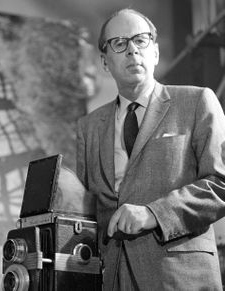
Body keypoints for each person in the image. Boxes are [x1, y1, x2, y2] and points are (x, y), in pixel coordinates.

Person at [76, 8, 225, 291]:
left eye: (140, 40)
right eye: (119, 43)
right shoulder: (89, 126)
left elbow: (221, 184)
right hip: (112, 279)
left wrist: (154, 214)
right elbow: (87, 211)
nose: (132, 50)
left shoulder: (197, 102)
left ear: (155, 52)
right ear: (105, 62)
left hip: (179, 278)